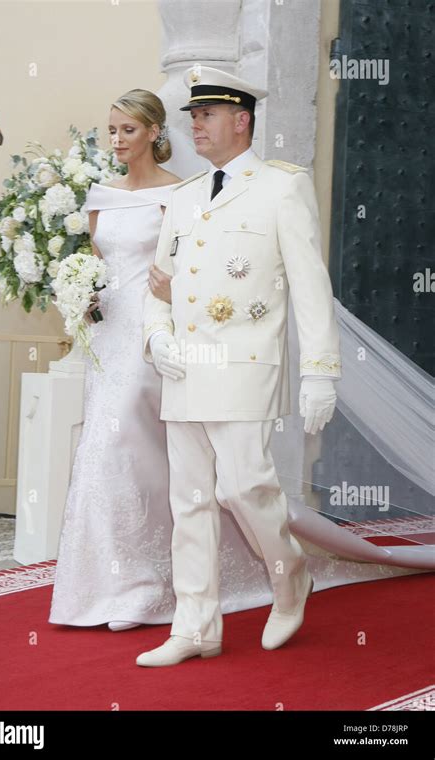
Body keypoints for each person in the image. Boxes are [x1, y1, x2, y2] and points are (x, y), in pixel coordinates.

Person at [48, 89, 278, 631]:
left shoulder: (182, 194)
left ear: (154, 132)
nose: (117, 140)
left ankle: (145, 588)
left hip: (157, 337)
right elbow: (102, 264)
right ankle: (112, 582)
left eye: (128, 130)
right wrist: (81, 296)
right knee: (112, 452)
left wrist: (174, 301)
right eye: (112, 130)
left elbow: (199, 269)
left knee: (125, 444)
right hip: (108, 339)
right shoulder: (100, 197)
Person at [137, 65, 342, 667]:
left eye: (205, 115)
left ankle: (290, 575)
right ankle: (196, 625)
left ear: (241, 120)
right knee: (192, 501)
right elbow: (159, 285)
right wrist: (157, 338)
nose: (195, 124)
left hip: (246, 362)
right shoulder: (182, 199)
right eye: (192, 116)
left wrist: (322, 370)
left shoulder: (282, 188)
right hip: (185, 369)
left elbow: (310, 285)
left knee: (244, 486)